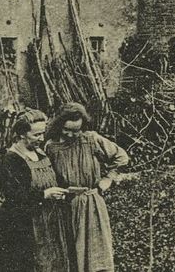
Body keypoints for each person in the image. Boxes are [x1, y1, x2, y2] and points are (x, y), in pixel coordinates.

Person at [45, 102, 129, 272]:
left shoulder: (91, 140)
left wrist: (108, 178)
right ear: (59, 125)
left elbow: (121, 157)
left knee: (97, 257)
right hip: (65, 208)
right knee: (69, 257)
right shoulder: (51, 147)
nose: (71, 135)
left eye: (76, 130)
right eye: (67, 130)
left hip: (92, 206)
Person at [0, 109, 71, 272]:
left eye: (42, 134)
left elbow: (54, 178)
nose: (41, 139)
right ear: (21, 134)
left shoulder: (40, 153)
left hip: (49, 218)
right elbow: (16, 196)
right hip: (23, 222)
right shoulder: (12, 159)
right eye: (36, 135)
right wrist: (45, 194)